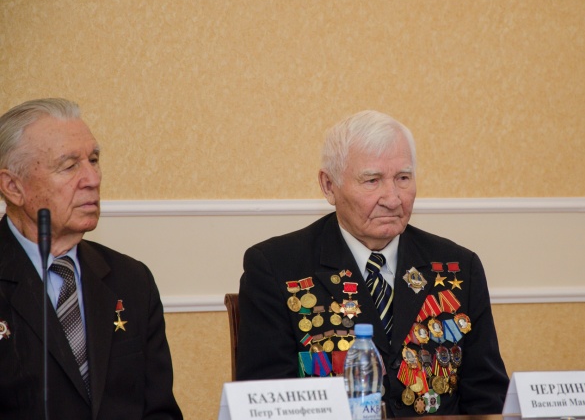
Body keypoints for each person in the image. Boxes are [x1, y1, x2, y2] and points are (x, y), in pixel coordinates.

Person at [237, 110, 509, 416]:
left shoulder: (459, 266)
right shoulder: (276, 268)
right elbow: (267, 403)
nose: (393, 199)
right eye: (372, 181)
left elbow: (488, 397)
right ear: (329, 186)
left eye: (403, 178)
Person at [0, 98, 182, 420]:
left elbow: (160, 412)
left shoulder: (132, 279)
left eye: (94, 160)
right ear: (13, 187)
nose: (92, 179)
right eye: (70, 166)